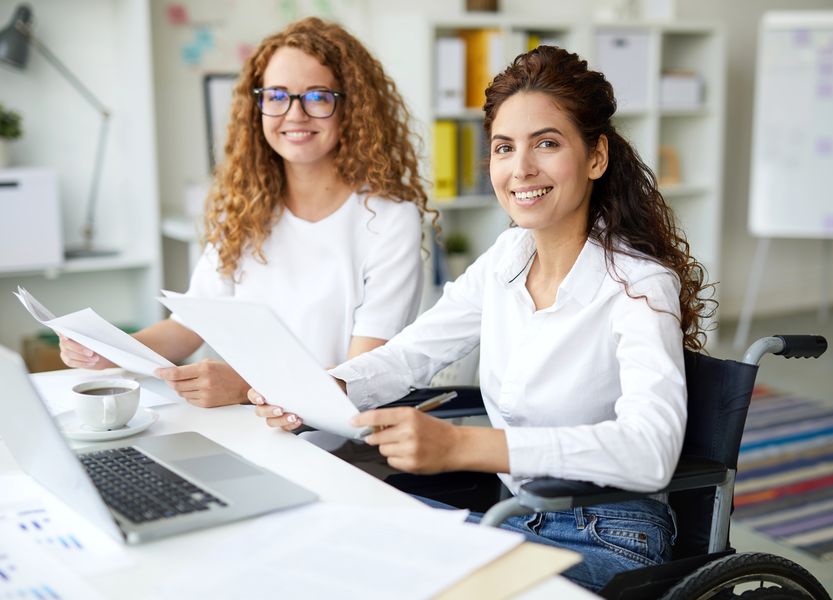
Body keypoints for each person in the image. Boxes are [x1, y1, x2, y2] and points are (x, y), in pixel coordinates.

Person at [251, 45, 713, 592]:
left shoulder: (639, 286)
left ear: (595, 157)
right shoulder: (505, 260)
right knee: (340, 522)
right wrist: (324, 389)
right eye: (504, 147)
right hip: (519, 517)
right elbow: (412, 353)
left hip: (611, 536)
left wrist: (461, 447)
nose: (521, 169)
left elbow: (649, 451)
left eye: (546, 143)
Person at [59, 18, 433, 408]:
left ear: (351, 108)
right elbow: (187, 327)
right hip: (243, 426)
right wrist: (109, 350)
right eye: (276, 96)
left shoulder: (390, 220)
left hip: (332, 443)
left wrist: (244, 388)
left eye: (318, 96)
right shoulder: (246, 209)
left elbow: (360, 379)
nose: (295, 114)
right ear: (258, 107)